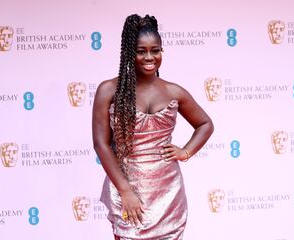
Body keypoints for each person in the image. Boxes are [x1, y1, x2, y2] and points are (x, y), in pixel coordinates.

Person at [92, 14, 214, 240]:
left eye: (155, 50)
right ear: (130, 52)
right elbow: (101, 145)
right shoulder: (108, 90)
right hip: (129, 189)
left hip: (168, 192)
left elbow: (205, 124)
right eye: (141, 51)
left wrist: (185, 152)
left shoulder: (173, 91)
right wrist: (125, 190)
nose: (149, 57)